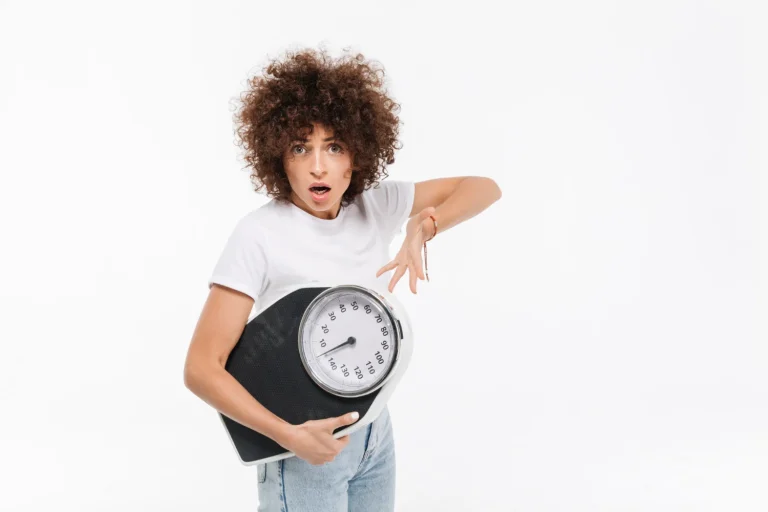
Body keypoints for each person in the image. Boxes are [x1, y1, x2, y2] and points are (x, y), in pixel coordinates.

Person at [183, 47, 502, 511]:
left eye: (334, 146)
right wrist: (289, 437)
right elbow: (201, 368)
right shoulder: (259, 235)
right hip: (303, 446)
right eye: (300, 147)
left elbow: (483, 187)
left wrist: (425, 225)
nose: (318, 165)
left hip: (375, 432)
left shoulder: (376, 206)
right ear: (278, 158)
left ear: (356, 155)